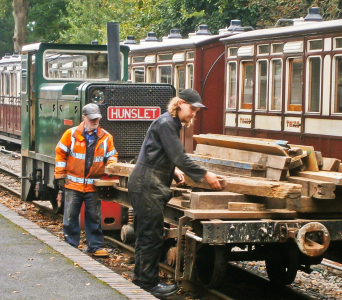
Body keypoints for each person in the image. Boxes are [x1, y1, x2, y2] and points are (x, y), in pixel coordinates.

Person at [128, 88, 222, 298]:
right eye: (192, 109)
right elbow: (179, 155)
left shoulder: (169, 122)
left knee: (146, 235)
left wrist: (173, 169)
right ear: (179, 103)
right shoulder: (167, 123)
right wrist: (205, 175)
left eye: (196, 112)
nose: (193, 114)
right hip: (148, 184)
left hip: (148, 181)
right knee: (151, 236)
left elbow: (159, 152)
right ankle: (148, 283)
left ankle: (141, 279)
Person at [54, 103, 118, 257]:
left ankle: (95, 246)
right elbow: (60, 153)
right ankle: (71, 245)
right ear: (84, 118)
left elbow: (112, 155)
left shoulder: (106, 137)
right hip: (73, 184)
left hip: (92, 186)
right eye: (91, 119)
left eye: (97, 119)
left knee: (94, 217)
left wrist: (111, 165)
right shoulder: (71, 135)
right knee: (70, 216)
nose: (94, 121)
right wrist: (60, 175)